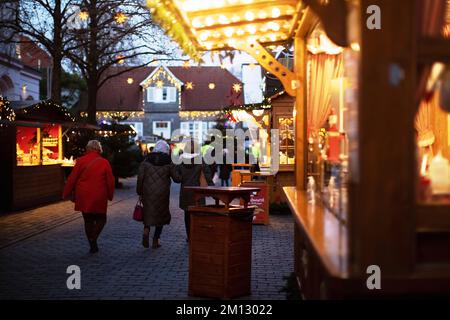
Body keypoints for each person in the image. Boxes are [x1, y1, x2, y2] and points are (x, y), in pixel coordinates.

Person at [63, 140, 115, 253]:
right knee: (102, 218)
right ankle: (94, 237)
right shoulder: (104, 162)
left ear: (88, 148)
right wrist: (110, 195)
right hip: (99, 194)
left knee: (88, 220)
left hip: (83, 194)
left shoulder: (80, 161)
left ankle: (92, 244)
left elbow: (72, 178)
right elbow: (110, 181)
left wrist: (66, 193)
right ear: (99, 149)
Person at [136, 140, 179, 249]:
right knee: (161, 215)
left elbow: (140, 177)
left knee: (148, 212)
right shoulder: (169, 162)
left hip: (148, 192)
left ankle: (146, 230)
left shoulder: (146, 161)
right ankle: (156, 240)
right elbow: (177, 178)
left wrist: (139, 191)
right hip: (162, 193)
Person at [176, 140, 214, 241]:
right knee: (198, 215)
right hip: (198, 192)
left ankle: (189, 236)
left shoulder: (180, 161)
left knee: (187, 215)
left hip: (185, 192)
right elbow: (207, 176)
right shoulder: (201, 160)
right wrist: (213, 190)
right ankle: (197, 235)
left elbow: (178, 178)